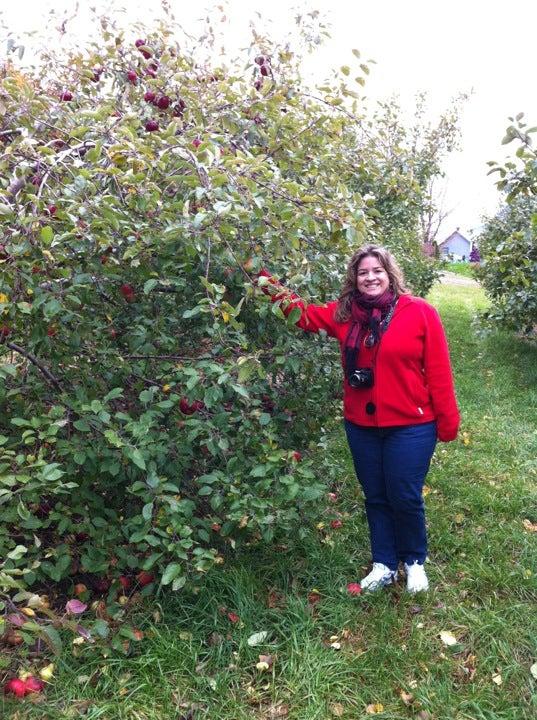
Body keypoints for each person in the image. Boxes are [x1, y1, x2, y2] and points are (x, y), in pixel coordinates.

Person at [256, 244, 460, 593]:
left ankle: (413, 562)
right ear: (355, 278)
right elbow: (301, 313)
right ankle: (383, 563)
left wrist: (447, 421)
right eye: (363, 272)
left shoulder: (419, 312)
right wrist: (259, 277)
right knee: (376, 495)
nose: (370, 278)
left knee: (404, 494)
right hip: (362, 426)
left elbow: (438, 370)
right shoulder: (344, 315)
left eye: (377, 271)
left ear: (389, 274)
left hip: (411, 424)